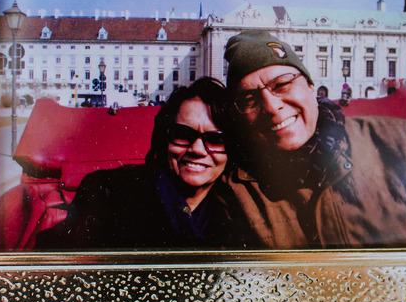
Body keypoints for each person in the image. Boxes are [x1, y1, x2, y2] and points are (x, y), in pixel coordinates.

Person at [222, 29, 406, 249]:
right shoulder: (235, 189)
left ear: (309, 85)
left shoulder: (396, 139)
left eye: (282, 84)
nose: (272, 107)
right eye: (249, 100)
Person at [37, 77, 253, 251]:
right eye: (182, 134)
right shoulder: (108, 192)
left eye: (215, 139)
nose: (197, 149)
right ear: (164, 138)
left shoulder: (241, 209)